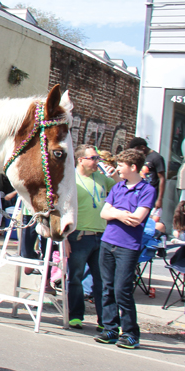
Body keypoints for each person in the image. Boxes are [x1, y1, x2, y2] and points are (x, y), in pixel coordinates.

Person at [95, 148, 155, 350]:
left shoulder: (147, 190)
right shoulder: (118, 187)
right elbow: (104, 212)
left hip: (128, 246)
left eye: (121, 165)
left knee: (123, 290)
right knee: (107, 287)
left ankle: (130, 333)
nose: (117, 168)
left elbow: (137, 218)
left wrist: (115, 212)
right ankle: (110, 328)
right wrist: (122, 215)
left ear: (133, 167)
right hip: (108, 241)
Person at [67, 144, 115, 331]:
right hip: (79, 235)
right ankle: (76, 316)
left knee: (102, 280)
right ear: (81, 160)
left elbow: (120, 187)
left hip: (102, 235)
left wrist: (115, 174)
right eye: (93, 158)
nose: (97, 161)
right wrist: (64, 240)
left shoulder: (102, 178)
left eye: (97, 158)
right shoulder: (70, 178)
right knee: (76, 278)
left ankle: (105, 320)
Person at [128, 137, 165, 214]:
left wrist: (160, 199)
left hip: (152, 196)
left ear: (143, 147)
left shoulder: (156, 158)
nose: (135, 153)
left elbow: (162, 178)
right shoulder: (140, 158)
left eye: (136, 150)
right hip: (138, 194)